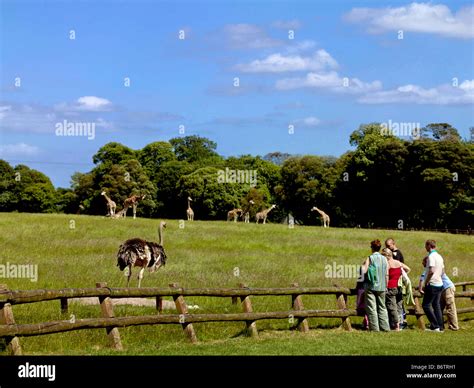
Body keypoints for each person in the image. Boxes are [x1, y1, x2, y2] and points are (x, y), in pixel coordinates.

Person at [420, 257, 459, 331]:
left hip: (447, 288)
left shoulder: (431, 269)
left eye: (423, 262)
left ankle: (454, 326)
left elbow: (423, 277)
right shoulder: (436, 269)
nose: (422, 263)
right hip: (441, 289)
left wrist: (422, 287)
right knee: (438, 308)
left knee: (450, 307)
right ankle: (439, 326)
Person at [362, 239, 390, 332]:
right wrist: (386, 285)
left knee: (372, 308)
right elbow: (387, 274)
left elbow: (364, 270)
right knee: (382, 307)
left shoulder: (370, 258)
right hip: (382, 286)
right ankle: (385, 327)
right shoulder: (385, 259)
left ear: (372, 248)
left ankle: (374, 328)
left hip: (371, 286)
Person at [381, 248, 411, 331]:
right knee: (399, 306)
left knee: (391, 307)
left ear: (386, 256)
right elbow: (408, 269)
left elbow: (386, 276)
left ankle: (396, 326)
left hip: (391, 287)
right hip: (399, 287)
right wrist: (400, 277)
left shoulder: (387, 264)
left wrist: (386, 286)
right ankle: (401, 324)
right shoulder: (398, 262)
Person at [420, 239, 445, 332]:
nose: (425, 247)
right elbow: (442, 271)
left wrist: (426, 282)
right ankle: (440, 326)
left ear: (429, 246)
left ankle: (435, 326)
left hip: (432, 283)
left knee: (426, 305)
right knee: (436, 305)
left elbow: (431, 271)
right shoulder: (440, 256)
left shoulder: (431, 256)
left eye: (425, 246)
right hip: (440, 283)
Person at [385, 238, 407, 327]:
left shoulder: (396, 254)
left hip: (395, 283)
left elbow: (399, 266)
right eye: (386, 246)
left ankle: (398, 323)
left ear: (393, 244)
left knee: (396, 305)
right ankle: (401, 322)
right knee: (398, 304)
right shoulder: (395, 253)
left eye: (389, 245)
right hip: (397, 283)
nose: (387, 247)